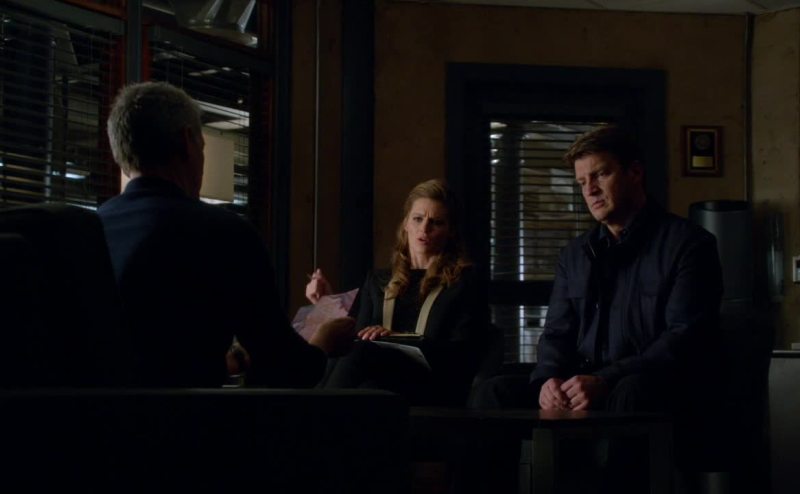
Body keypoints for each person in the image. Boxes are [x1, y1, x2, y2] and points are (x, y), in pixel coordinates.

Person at [470, 124, 723, 493]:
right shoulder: (574, 255)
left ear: (634, 173)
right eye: (581, 181)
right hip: (581, 385)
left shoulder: (689, 244)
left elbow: (683, 338)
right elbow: (556, 333)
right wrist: (547, 382)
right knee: (493, 393)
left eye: (600, 174)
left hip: (649, 385)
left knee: (632, 392)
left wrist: (605, 380)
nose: (589, 190)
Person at [99, 81, 354, 387]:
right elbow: (285, 366)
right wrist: (323, 343)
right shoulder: (224, 233)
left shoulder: (88, 230)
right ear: (187, 142)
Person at [307, 179, 487, 405]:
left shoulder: (464, 282)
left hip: (433, 383)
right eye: (418, 219)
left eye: (436, 222)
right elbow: (353, 336)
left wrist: (394, 338)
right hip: (380, 380)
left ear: (450, 231)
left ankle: (314, 415)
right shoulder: (378, 280)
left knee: (361, 353)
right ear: (406, 224)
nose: (424, 229)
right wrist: (326, 302)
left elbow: (462, 354)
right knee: (352, 363)